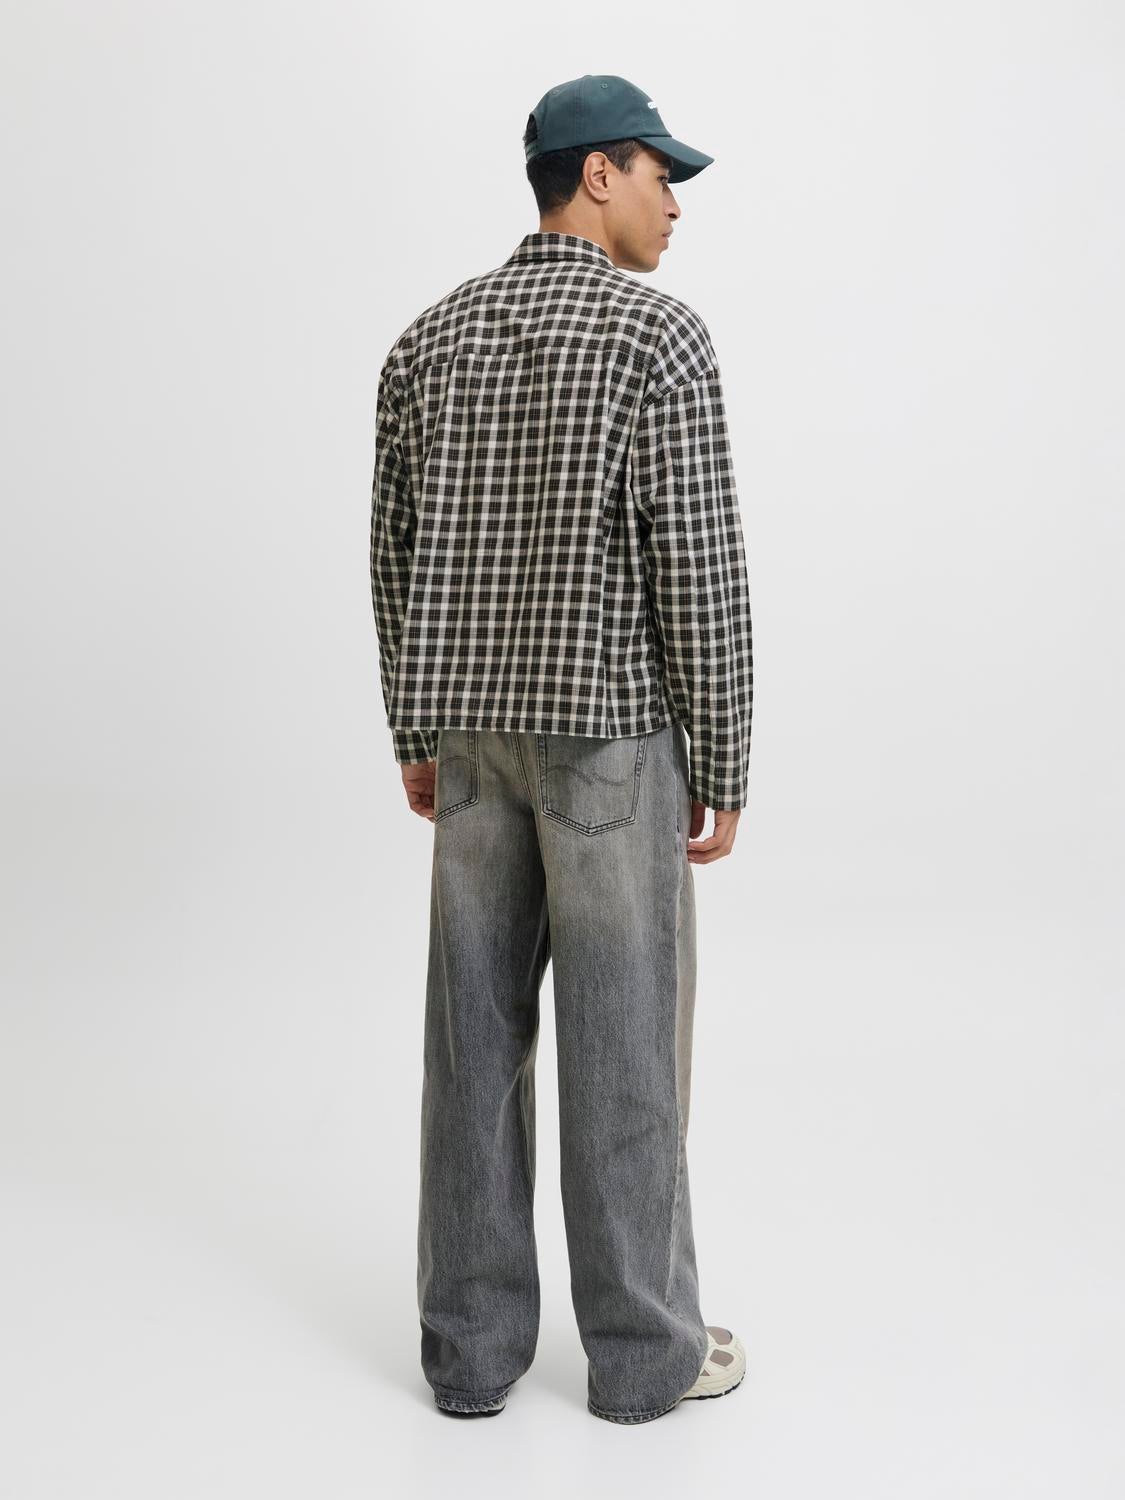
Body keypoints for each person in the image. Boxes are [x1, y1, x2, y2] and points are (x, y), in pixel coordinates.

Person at [369, 73, 753, 1425]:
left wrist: (416, 730)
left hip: (473, 739)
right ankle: (645, 1357)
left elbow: (395, 553)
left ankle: (469, 1354)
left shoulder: (427, 342)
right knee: (625, 1042)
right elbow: (697, 566)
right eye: (660, 174)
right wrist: (724, 756)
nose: (674, 203)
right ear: (597, 174)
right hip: (609, 747)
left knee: (471, 1044)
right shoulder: (658, 339)